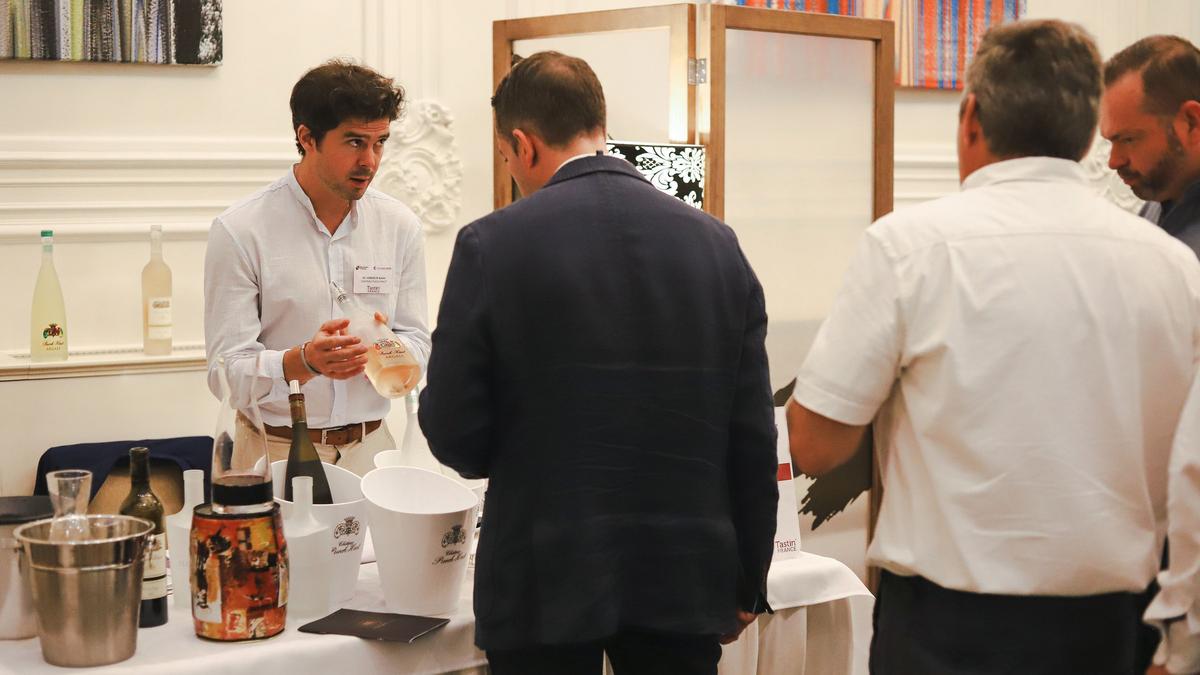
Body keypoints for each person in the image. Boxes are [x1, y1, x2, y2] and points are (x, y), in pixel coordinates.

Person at [786, 20, 1200, 675]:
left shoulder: (908, 249)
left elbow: (816, 445)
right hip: (1114, 627)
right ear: (1086, 132)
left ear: (971, 117)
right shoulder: (1173, 267)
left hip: (945, 630)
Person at [418, 51, 778, 675]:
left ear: (523, 145)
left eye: (505, 157)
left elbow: (455, 432)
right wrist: (750, 575)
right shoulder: (717, 244)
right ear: (598, 125)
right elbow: (751, 435)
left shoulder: (491, 245)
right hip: (685, 570)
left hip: (543, 570)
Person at [204, 59, 430, 476]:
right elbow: (226, 376)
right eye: (355, 142)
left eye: (380, 143)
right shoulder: (240, 231)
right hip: (272, 452)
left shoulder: (401, 227)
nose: (370, 161)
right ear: (307, 138)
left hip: (374, 452)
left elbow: (418, 341)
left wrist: (387, 349)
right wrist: (303, 361)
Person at [1102, 35, 1200, 257]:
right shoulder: (1158, 202)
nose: (1113, 161)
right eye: (1110, 142)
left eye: (1128, 139)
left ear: (1191, 122)